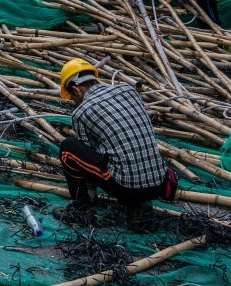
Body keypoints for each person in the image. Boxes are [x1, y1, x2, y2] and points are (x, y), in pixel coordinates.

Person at [57, 59, 177, 227]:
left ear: (76, 89)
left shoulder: (81, 112)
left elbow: (88, 158)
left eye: (72, 97)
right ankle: (138, 206)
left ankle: (82, 208)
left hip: (127, 187)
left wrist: (89, 192)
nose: (74, 101)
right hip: (159, 183)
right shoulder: (129, 91)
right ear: (95, 79)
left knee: (68, 148)